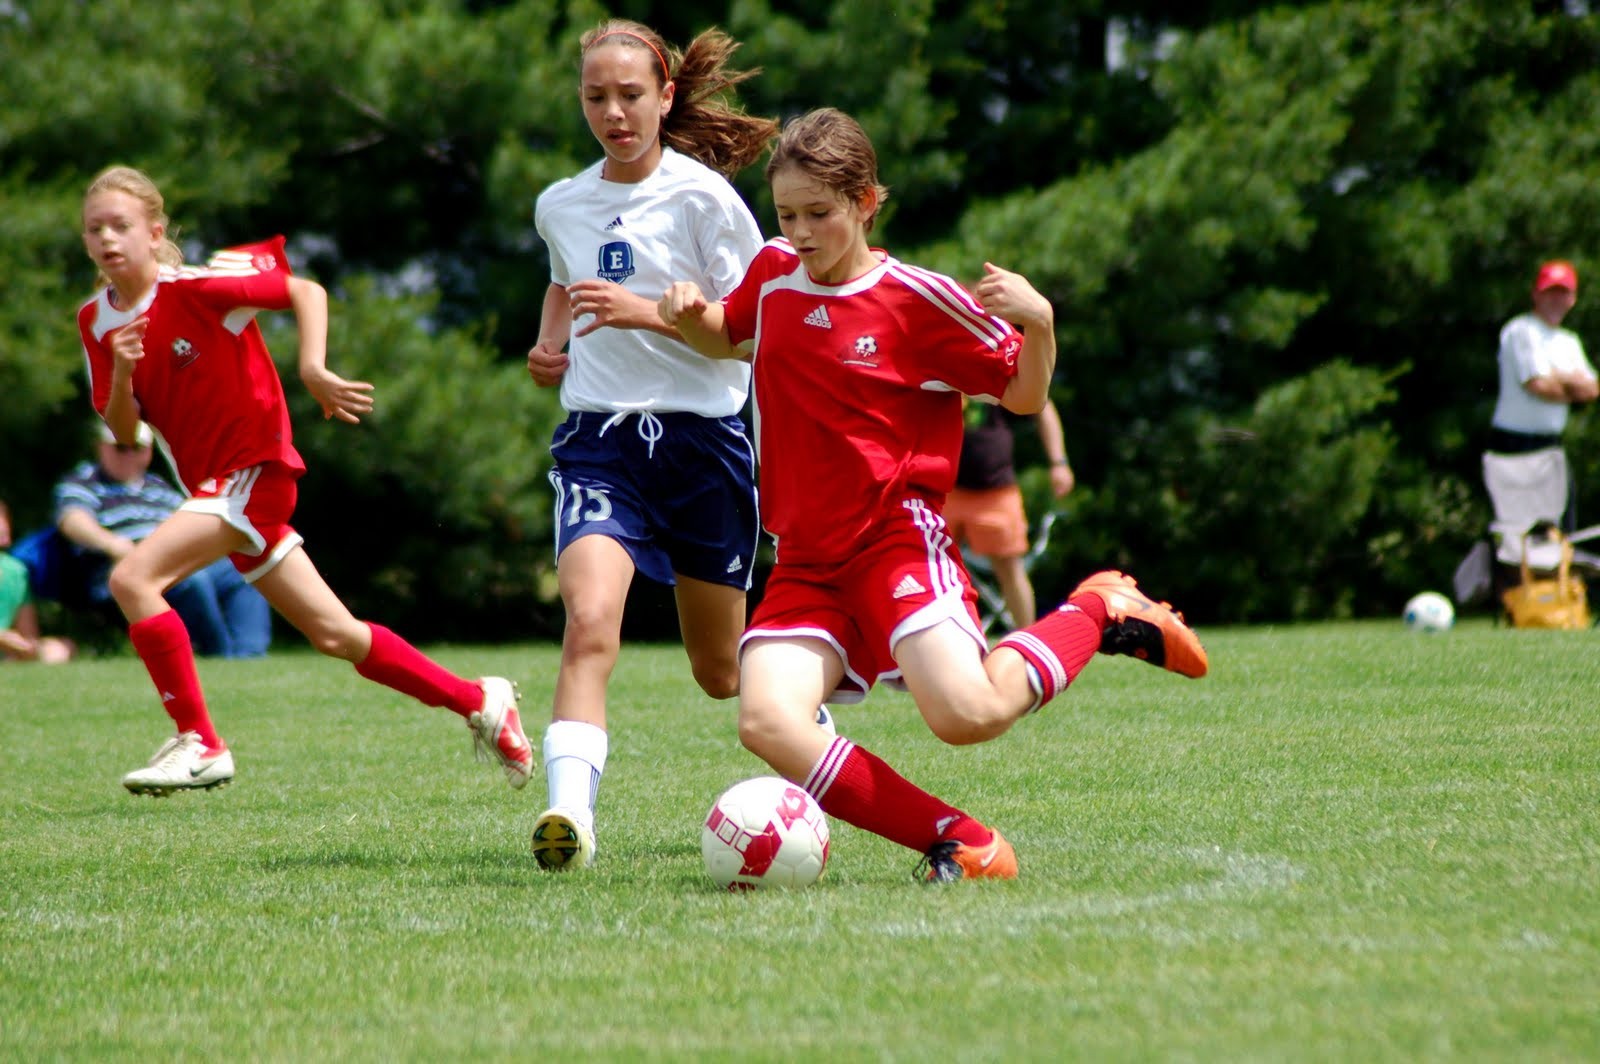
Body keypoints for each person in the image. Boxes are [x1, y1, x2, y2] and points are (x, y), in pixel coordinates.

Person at [660, 107, 1208, 882]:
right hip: (805, 564)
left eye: (820, 213)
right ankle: (960, 839)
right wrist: (691, 320)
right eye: (787, 214)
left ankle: (1102, 608)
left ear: (866, 203)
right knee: (765, 720)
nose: (802, 231)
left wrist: (1042, 325)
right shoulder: (775, 273)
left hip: (894, 542)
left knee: (967, 716)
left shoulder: (917, 300)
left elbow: (1021, 394)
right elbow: (730, 333)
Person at [76, 164, 531, 796]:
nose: (107, 239)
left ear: (155, 233)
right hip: (216, 493)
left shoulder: (198, 289)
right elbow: (125, 433)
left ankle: (201, 742)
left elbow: (306, 290)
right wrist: (124, 373)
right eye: (95, 229)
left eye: (121, 225)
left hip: (252, 473)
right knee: (337, 635)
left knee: (131, 577)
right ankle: (479, 702)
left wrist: (313, 368)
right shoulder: (96, 321)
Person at [521, 18, 781, 871]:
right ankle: (569, 822)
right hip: (600, 441)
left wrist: (647, 314)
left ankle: (812, 730)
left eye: (631, 94)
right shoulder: (560, 202)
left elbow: (753, 336)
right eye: (596, 96)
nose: (614, 111)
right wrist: (550, 341)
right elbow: (564, 279)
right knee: (590, 620)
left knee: (719, 672)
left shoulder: (706, 200)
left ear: (666, 97)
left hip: (703, 444)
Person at [54, 421, 273, 658]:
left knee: (241, 570)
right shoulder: (84, 481)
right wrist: (112, 544)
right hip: (121, 570)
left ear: (148, 451)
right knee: (193, 580)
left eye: (136, 447)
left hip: (175, 562)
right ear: (101, 447)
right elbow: (72, 520)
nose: (128, 454)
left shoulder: (159, 486)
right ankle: (219, 655)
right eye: (120, 447)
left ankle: (249, 657)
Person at [1487, 259, 1598, 533]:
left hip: (1550, 445)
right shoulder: (1521, 330)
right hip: (1514, 443)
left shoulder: (1569, 341)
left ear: (1572, 299)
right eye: (1551, 291)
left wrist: (1556, 376)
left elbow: (1592, 391)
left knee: (1562, 528)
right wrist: (1571, 382)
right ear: (1536, 294)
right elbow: (1538, 386)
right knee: (1516, 532)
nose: (1557, 299)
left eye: (1563, 292)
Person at [947, 400, 1075, 628]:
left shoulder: (997, 365)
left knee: (1010, 570)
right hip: (944, 488)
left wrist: (1059, 462)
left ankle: (1027, 641)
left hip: (996, 489)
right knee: (931, 566)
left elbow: (1042, 404)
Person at [0, 498, 74, 664]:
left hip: (6, 653)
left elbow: (29, 636)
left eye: (3, 517)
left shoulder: (16, 571)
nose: (3, 525)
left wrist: (23, 647)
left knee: (60, 648)